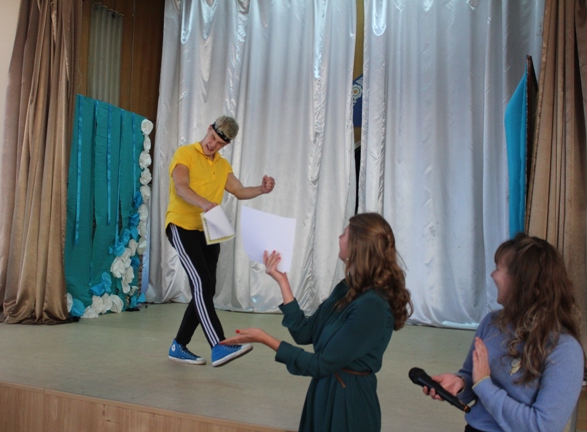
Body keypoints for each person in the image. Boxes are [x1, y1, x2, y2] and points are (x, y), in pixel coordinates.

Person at [222, 212, 413, 431]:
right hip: (325, 391)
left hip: (349, 402)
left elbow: (320, 364)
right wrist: (283, 282)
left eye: (345, 234)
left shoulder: (372, 307)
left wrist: (265, 339)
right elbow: (304, 333)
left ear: (357, 246)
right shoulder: (347, 288)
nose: (339, 237)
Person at [422, 233, 584, 432]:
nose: (492, 275)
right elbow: (472, 376)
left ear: (521, 281)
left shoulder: (565, 350)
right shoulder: (491, 323)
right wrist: (460, 383)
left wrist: (484, 385)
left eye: (498, 268)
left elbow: (542, 427)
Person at [166, 115, 275, 367]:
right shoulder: (185, 153)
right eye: (212, 138)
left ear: (226, 145)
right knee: (202, 283)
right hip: (182, 225)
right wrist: (204, 203)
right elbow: (180, 186)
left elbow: (239, 191)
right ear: (208, 129)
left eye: (219, 143)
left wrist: (261, 189)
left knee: (206, 288)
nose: (212, 144)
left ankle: (178, 345)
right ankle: (218, 345)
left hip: (209, 228)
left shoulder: (223, 165)